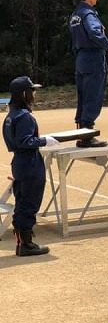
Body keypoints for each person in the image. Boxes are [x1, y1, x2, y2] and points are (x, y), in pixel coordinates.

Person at [2, 76, 59, 256]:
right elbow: (25, 141)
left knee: (22, 201)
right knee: (30, 202)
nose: (34, 93)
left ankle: (22, 242)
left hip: (20, 161)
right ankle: (26, 244)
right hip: (30, 161)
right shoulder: (24, 116)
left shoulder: (11, 115)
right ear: (24, 93)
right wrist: (44, 141)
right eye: (32, 90)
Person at [69, 0, 108, 147]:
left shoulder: (75, 15)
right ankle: (87, 136)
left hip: (81, 58)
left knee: (83, 96)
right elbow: (94, 32)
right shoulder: (88, 14)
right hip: (93, 58)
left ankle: (80, 134)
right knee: (93, 95)